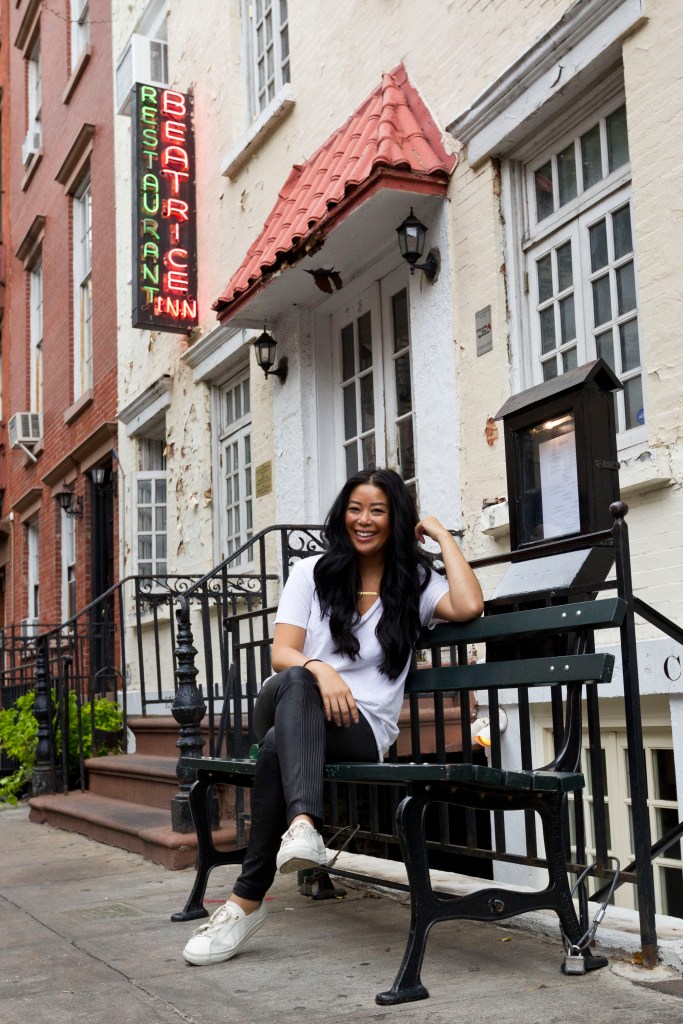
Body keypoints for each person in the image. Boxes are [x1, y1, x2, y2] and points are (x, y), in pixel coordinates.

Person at [182, 468, 484, 966]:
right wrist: (322, 670)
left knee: (280, 744)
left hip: (361, 728)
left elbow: (470, 603)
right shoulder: (311, 572)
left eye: (378, 510)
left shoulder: (414, 584)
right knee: (298, 685)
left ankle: (246, 901)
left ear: (397, 520)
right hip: (289, 696)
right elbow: (283, 653)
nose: (364, 520)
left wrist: (441, 535)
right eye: (355, 508)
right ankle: (303, 826)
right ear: (342, 515)